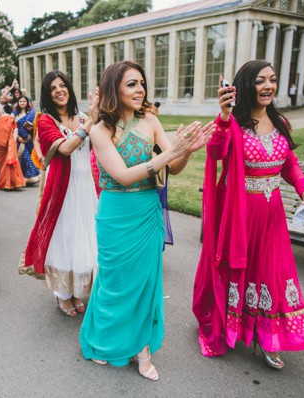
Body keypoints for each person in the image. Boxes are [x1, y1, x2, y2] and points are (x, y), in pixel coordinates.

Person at [80, 60, 212, 381]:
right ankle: (101, 339)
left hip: (147, 211)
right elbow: (123, 176)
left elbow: (173, 168)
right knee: (113, 283)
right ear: (114, 89)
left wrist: (188, 151)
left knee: (146, 285)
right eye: (131, 84)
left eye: (141, 83)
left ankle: (142, 349)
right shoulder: (100, 130)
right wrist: (169, 154)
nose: (140, 90)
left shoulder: (150, 120)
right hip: (115, 213)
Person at [192, 60, 304, 370]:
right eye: (261, 80)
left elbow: (289, 163)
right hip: (240, 213)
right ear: (246, 85)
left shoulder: (280, 123)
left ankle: (268, 335)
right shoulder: (232, 124)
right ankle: (234, 326)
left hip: (272, 213)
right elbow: (216, 154)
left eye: (273, 80)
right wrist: (224, 117)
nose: (268, 86)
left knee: (272, 273)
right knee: (239, 271)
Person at [20, 70, 99, 317]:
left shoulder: (84, 116)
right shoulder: (45, 121)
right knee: (66, 238)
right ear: (48, 94)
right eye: (53, 88)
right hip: (62, 190)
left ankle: (78, 291)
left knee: (86, 238)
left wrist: (100, 114)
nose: (58, 90)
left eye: (62, 85)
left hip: (87, 189)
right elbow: (65, 148)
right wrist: (90, 123)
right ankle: (64, 294)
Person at [0, 101, 25, 189]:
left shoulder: (8, 118)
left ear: (2, 109)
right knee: (1, 166)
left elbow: (15, 129)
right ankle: (4, 183)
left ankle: (12, 183)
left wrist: (14, 140)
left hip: (9, 145)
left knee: (9, 164)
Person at [14, 96, 42, 185]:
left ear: (27, 103)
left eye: (24, 101)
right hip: (18, 139)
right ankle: (23, 178)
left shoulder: (31, 113)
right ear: (18, 103)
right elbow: (12, 127)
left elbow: (36, 125)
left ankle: (31, 177)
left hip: (29, 139)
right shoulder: (15, 114)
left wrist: (31, 128)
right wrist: (18, 136)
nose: (22, 103)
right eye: (20, 101)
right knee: (23, 158)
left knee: (28, 157)